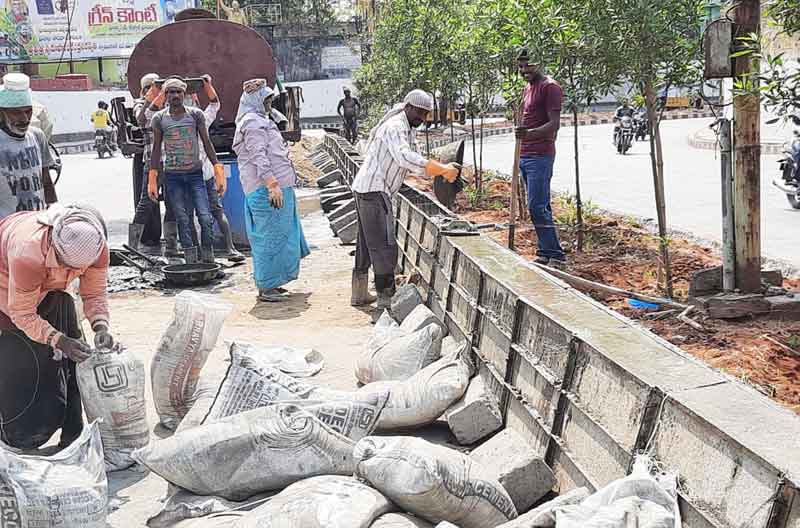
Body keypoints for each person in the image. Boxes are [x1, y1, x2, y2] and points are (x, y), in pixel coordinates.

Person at [0, 204, 112, 451]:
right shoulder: (27, 253)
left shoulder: (96, 246)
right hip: (7, 289)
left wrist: (100, 325)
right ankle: (20, 436)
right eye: (64, 264)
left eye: (76, 270)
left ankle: (73, 433)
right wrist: (59, 341)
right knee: (25, 365)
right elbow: (22, 313)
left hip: (51, 291)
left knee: (75, 358)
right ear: (53, 246)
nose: (70, 272)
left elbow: (94, 292)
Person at [350, 89, 459, 309]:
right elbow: (404, 157)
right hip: (374, 190)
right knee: (383, 245)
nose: (422, 118)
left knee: (365, 243)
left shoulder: (408, 130)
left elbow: (416, 165)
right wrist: (440, 169)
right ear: (408, 107)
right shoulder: (395, 127)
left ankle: (359, 293)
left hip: (368, 189)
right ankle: (386, 297)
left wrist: (437, 170)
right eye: (419, 112)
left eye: (425, 114)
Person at [233, 78, 309, 302]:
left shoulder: (261, 119)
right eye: (266, 100)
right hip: (267, 190)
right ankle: (266, 286)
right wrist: (272, 185)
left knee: (280, 235)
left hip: (275, 187)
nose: (269, 104)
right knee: (269, 238)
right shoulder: (252, 123)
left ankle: (273, 282)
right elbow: (259, 156)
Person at [148, 77, 225, 264]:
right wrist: (153, 177)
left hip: (195, 175)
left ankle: (208, 259)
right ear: (165, 95)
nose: (175, 95)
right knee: (183, 219)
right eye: (170, 92)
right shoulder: (159, 119)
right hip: (172, 176)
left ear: (184, 94)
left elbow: (206, 143)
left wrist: (218, 169)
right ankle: (191, 261)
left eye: (178, 91)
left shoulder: (196, 115)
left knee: (205, 217)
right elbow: (156, 149)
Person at [514, 49, 566, 268]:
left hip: (540, 156)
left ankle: (556, 255)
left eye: (528, 65)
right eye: (520, 66)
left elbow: (554, 124)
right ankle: (546, 252)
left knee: (537, 206)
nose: (524, 70)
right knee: (539, 205)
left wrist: (529, 134)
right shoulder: (528, 88)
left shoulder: (550, 87)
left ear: (538, 63)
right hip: (525, 154)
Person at [191, 75, 245, 262]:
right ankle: (228, 249)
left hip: (188, 175)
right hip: (203, 173)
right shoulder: (201, 118)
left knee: (191, 214)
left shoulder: (169, 120)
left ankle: (198, 252)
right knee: (215, 211)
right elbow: (215, 103)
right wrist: (208, 86)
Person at [0, 72, 57, 219]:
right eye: (16, 113)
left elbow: (46, 180)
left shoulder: (37, 136)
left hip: (36, 222)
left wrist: (55, 210)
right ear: (2, 113)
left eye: (28, 111)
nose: (24, 118)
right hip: (6, 227)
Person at [129, 73, 163, 253]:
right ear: (144, 90)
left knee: (174, 203)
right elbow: (142, 119)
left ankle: (173, 244)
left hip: (172, 161)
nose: (155, 89)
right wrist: (152, 98)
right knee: (146, 202)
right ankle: (132, 244)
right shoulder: (140, 104)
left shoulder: (165, 104)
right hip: (153, 162)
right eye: (151, 86)